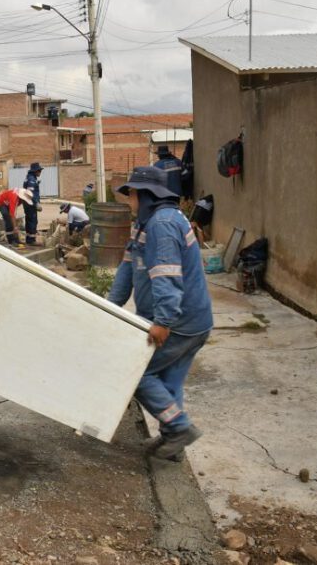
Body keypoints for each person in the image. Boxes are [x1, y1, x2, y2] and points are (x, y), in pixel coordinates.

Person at [106, 166, 212, 461]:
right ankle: (172, 444)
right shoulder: (146, 223)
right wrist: (108, 310)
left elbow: (167, 276)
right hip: (191, 319)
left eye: (132, 195)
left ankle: (179, 428)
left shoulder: (162, 225)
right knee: (168, 383)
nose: (130, 201)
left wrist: (163, 321)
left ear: (146, 195)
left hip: (180, 321)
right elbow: (127, 270)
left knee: (137, 373)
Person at [22, 162, 44, 245]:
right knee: (33, 221)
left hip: (27, 203)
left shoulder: (30, 178)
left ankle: (29, 239)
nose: (40, 172)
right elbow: (30, 193)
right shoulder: (31, 180)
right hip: (30, 203)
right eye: (39, 171)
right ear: (35, 171)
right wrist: (36, 203)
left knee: (29, 220)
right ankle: (31, 240)